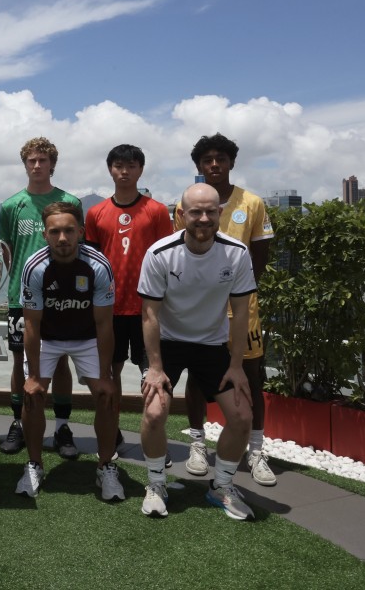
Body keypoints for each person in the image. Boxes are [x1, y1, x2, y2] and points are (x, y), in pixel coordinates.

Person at [137, 183, 257, 520]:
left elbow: (240, 312)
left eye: (210, 211)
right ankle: (156, 483)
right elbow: (150, 314)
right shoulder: (160, 253)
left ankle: (221, 487)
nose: (202, 218)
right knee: (155, 411)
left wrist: (236, 365)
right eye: (195, 212)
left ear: (220, 213)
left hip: (211, 344)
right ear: (181, 214)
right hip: (168, 344)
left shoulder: (236, 253)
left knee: (242, 417)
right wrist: (156, 368)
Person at [175, 134, 276, 487]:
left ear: (231, 162)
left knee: (251, 377)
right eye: (207, 159)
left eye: (220, 158)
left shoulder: (252, 203)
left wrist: (240, 295)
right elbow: (180, 254)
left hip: (241, 310)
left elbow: (259, 257)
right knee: (195, 378)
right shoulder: (185, 203)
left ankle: (257, 449)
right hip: (200, 311)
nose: (214, 164)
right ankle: (198, 444)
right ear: (199, 166)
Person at [15, 202, 122, 500]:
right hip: (47, 337)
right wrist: (34, 375)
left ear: (81, 232)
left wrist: (103, 375)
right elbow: (32, 326)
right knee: (33, 395)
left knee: (106, 394)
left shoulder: (98, 265)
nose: (62, 238)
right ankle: (34, 464)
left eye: (69, 231)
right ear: (46, 235)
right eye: (55, 231)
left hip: (87, 336)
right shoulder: (34, 267)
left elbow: (104, 324)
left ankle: (106, 466)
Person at [85, 144, 172, 453]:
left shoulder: (157, 210)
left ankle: (153, 438)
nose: (124, 171)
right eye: (119, 165)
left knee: (154, 374)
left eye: (131, 166)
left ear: (140, 170)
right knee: (110, 374)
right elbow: (92, 262)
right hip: (109, 309)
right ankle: (113, 435)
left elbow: (166, 258)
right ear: (110, 170)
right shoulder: (96, 213)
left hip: (149, 309)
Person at [0, 137, 80, 458]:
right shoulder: (10, 206)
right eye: (31, 160)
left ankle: (61, 427)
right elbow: (6, 254)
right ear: (25, 164)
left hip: (62, 299)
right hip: (22, 298)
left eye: (42, 161)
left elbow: (77, 247)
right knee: (20, 360)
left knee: (60, 360)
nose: (36, 166)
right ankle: (19, 423)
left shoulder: (69, 202)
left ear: (52, 164)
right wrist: (20, 280)